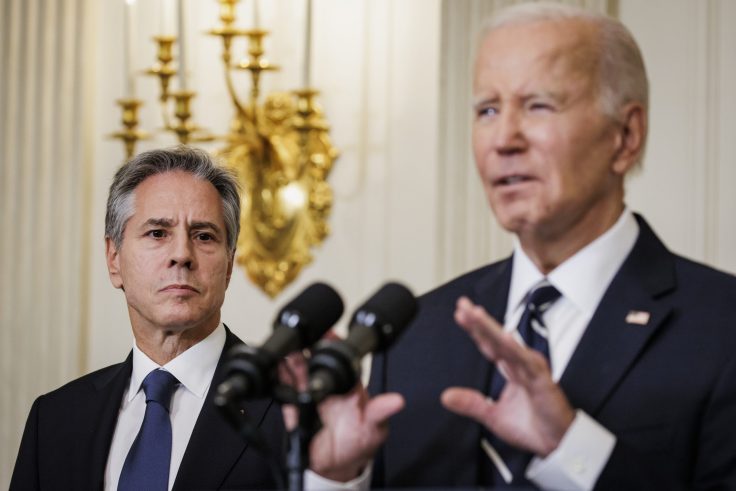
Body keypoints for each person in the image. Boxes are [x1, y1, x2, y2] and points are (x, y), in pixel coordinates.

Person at [367, 3, 736, 490]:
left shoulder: (721, 327)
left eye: (539, 105)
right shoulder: (414, 336)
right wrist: (335, 478)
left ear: (626, 136)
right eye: (488, 110)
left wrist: (572, 449)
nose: (504, 139)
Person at [10, 146, 403, 490]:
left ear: (229, 265)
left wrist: (330, 481)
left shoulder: (295, 408)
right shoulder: (56, 419)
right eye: (157, 233)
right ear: (114, 259)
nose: (182, 254)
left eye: (204, 236)